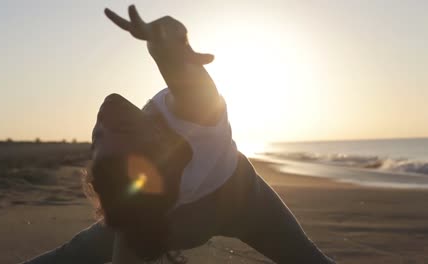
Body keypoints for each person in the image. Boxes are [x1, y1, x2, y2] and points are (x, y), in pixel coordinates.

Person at [22, 5, 336, 264]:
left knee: (79, 250)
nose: (104, 118)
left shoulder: (136, 207)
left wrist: (165, 42)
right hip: (240, 200)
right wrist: (164, 41)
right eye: (121, 128)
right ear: (152, 143)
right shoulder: (196, 118)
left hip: (172, 221)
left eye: (99, 138)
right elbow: (185, 75)